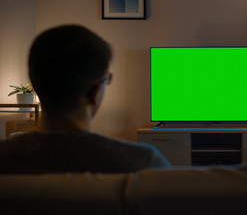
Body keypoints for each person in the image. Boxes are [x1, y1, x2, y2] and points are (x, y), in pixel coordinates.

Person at [0, 25, 171, 173]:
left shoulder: (6, 158)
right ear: (95, 92)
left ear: (35, 85)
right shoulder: (144, 162)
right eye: (107, 79)